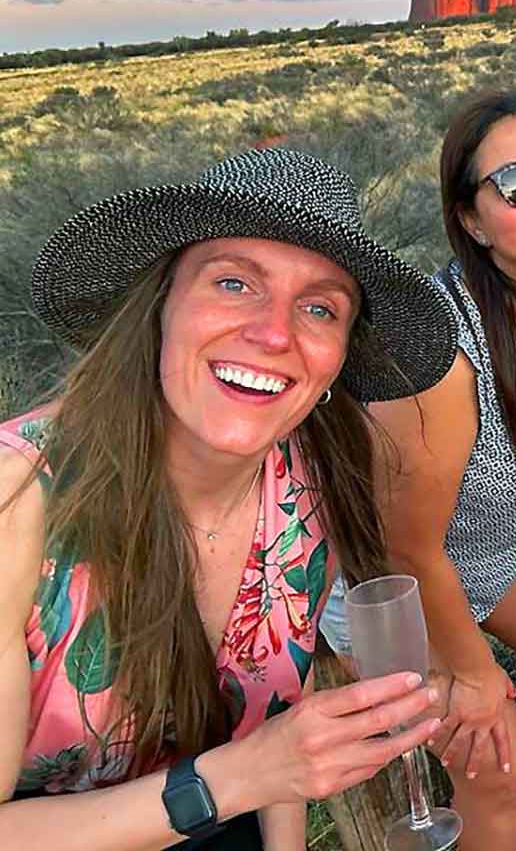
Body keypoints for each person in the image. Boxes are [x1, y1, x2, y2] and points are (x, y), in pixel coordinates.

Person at [0, 148, 459, 850]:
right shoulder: (18, 504)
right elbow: (260, 765)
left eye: (318, 307)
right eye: (234, 283)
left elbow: (281, 731)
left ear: (338, 358)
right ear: (158, 306)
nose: (275, 333)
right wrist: (234, 780)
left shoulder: (307, 489)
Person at [318, 91, 516, 851]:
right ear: (472, 221)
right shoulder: (443, 352)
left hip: (503, 544)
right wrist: (470, 672)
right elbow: (406, 548)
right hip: (387, 584)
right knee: (495, 758)